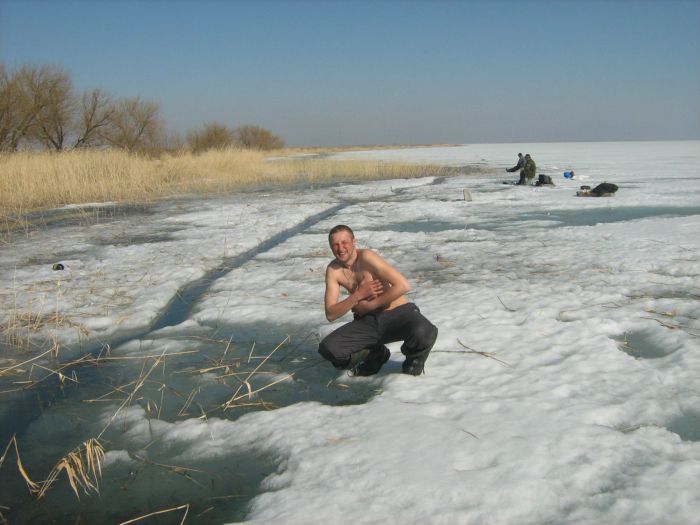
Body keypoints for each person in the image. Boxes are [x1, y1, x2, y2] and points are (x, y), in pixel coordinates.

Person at [318, 225, 438, 376]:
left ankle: (413, 361)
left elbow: (403, 285)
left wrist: (370, 305)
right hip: (369, 322)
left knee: (425, 331)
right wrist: (357, 296)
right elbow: (331, 314)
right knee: (329, 348)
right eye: (335, 244)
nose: (340, 248)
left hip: (399, 314)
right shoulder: (333, 270)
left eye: (344, 242)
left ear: (354, 242)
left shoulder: (367, 257)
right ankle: (375, 354)